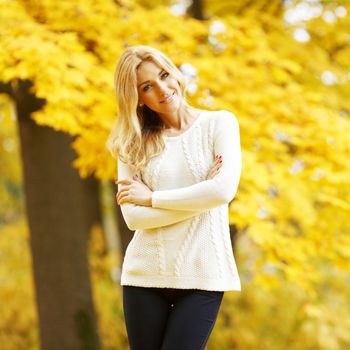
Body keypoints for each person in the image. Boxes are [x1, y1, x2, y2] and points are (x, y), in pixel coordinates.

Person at [106, 45, 242, 350]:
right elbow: (133, 218)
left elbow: (222, 191)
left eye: (164, 75)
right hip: (144, 278)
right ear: (137, 97)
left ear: (175, 73)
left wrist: (153, 198)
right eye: (147, 87)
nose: (162, 89)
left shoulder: (219, 124)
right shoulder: (131, 141)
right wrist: (200, 198)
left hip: (202, 277)